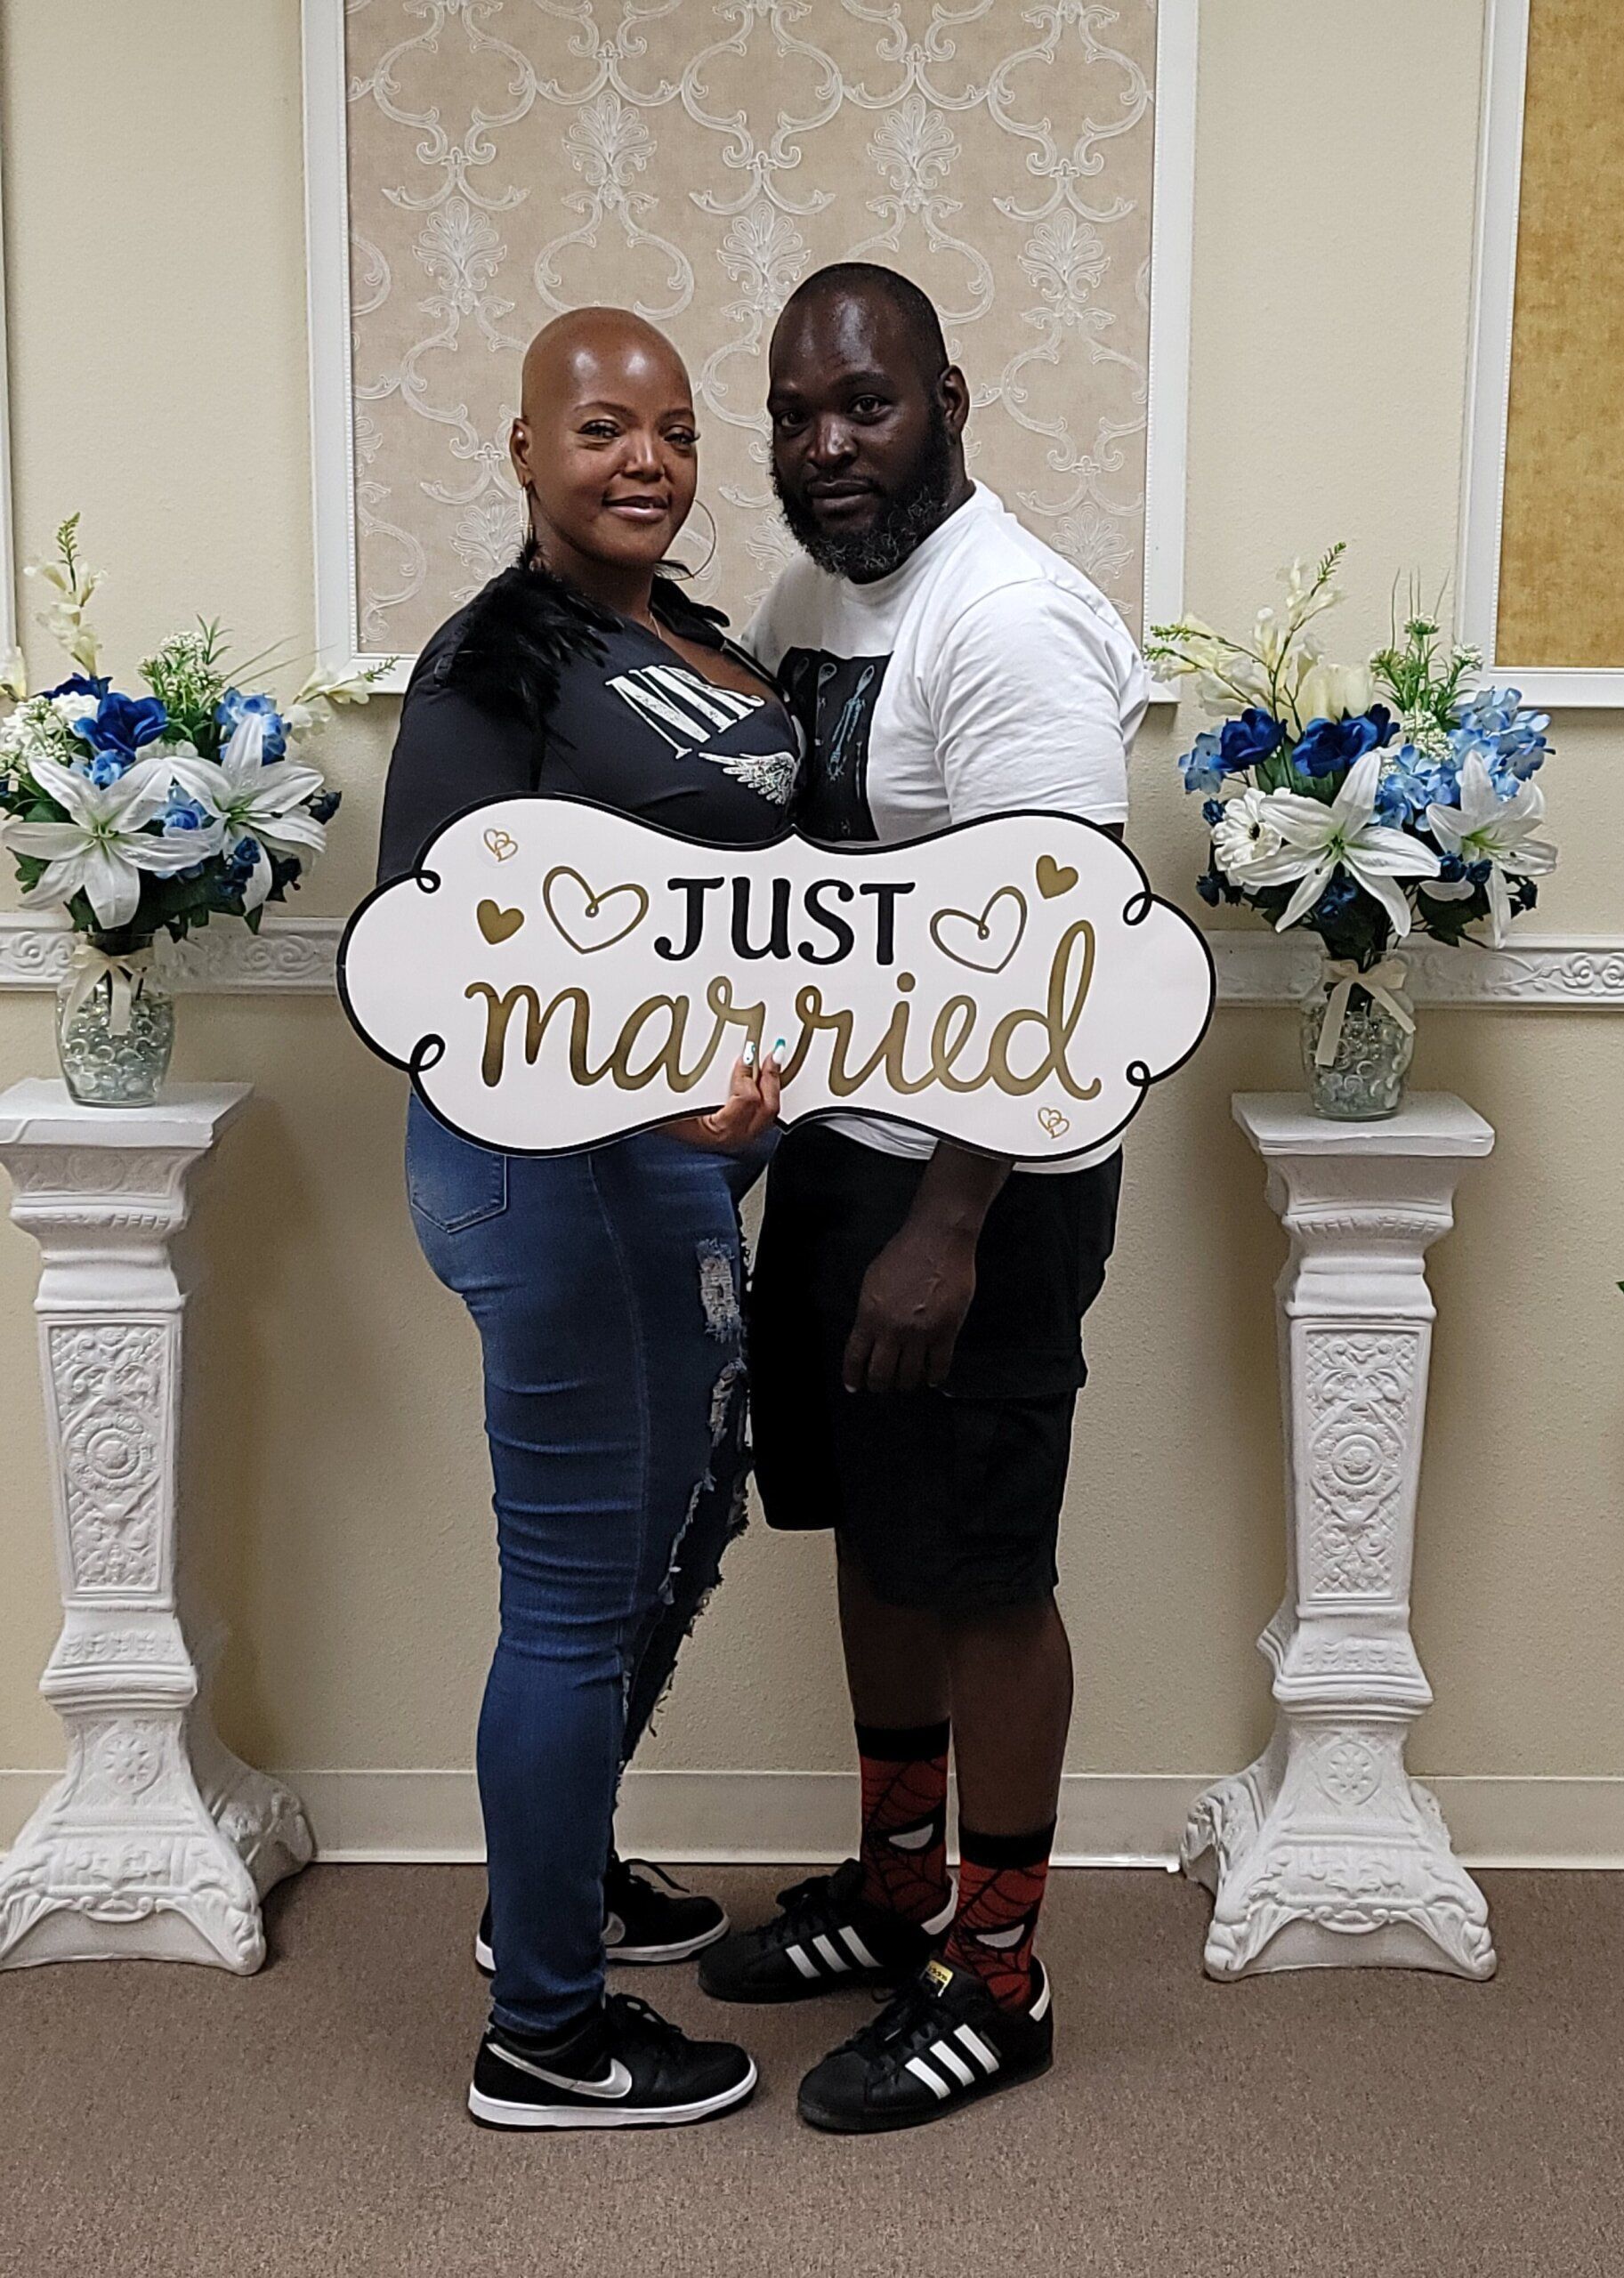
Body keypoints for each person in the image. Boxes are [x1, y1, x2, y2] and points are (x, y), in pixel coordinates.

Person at [699, 263, 1148, 2134]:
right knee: (873, 1537)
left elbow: (1060, 961)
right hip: (842, 1158)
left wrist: (950, 1223)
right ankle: (897, 1892)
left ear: (948, 396)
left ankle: (1004, 1964)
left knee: (980, 1566)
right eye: (797, 414)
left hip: (985, 1189)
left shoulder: (1015, 621)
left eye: (863, 407)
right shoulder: (816, 596)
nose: (826, 448)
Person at [378, 307, 796, 2131]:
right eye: (605, 425)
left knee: (673, 1538)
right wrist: (651, 1099)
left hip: (677, 1166)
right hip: (542, 1170)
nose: (648, 459)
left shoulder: (691, 637)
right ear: (526, 445)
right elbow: (433, 963)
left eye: (678, 431)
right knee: (567, 1599)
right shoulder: (494, 663)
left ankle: (559, 1872)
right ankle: (543, 2027)